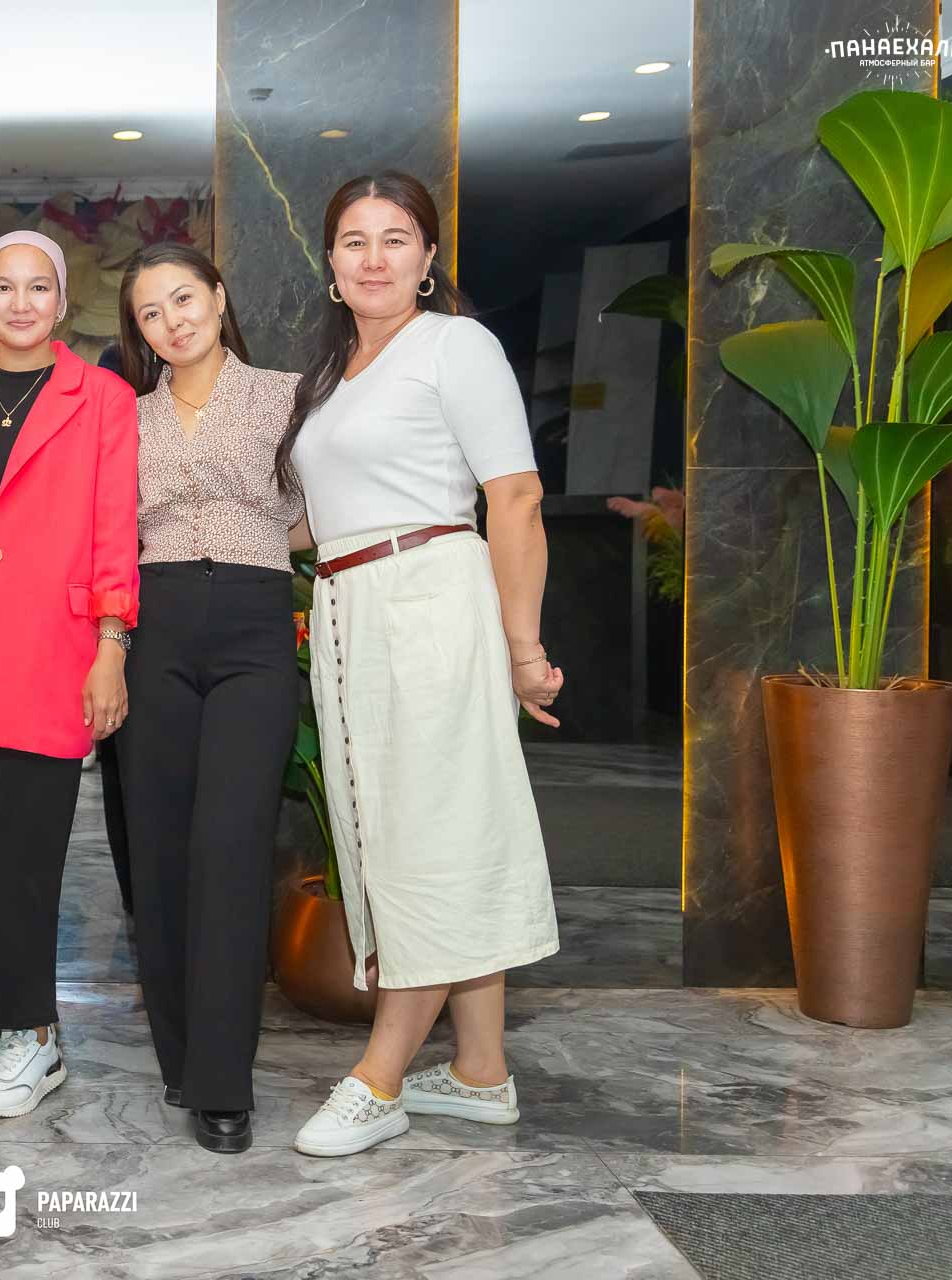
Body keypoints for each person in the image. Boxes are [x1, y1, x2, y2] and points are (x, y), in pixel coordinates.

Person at [278, 171, 562, 1160]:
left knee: (429, 837)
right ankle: (480, 1069)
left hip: (430, 597)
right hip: (351, 605)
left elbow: (516, 496)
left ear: (429, 257)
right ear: (330, 263)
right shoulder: (334, 375)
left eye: (395, 238)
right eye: (354, 240)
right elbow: (317, 518)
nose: (374, 258)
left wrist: (523, 646)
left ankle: (380, 1075)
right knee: (421, 830)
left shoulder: (456, 346)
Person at [0, 230, 139, 1118]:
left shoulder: (103, 398)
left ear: (61, 301)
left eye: (37, 287)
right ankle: (9, 1023)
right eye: (4, 286)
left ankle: (34, 1035)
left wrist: (111, 647)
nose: (20, 302)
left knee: (26, 854)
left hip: (53, 654)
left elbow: (115, 530)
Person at [114, 242, 302, 1155]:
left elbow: (316, 508)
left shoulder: (288, 396)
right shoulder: (126, 417)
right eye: (151, 313)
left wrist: (258, 542)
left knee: (231, 846)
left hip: (254, 626)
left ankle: (225, 1079)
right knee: (159, 850)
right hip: (154, 626)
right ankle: (181, 1059)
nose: (171, 322)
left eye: (183, 299)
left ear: (220, 298)